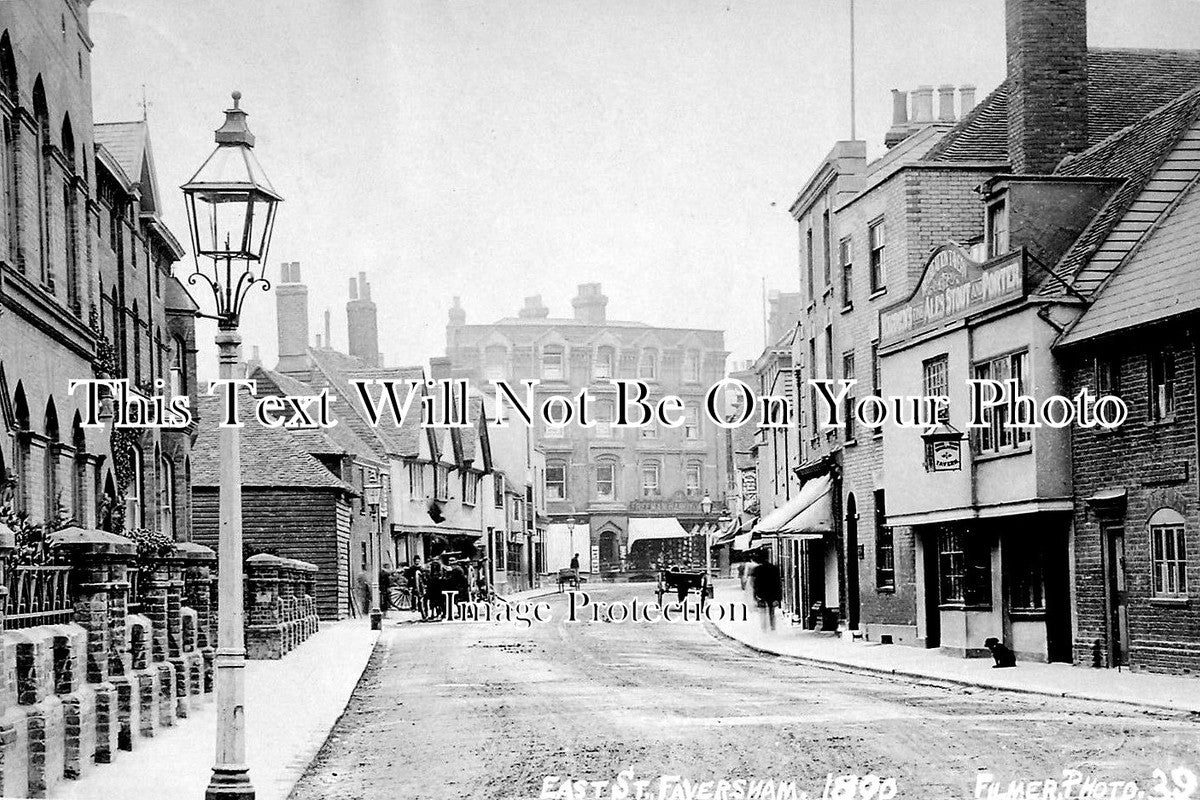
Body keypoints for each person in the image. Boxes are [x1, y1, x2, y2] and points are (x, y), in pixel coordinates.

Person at [751, 551, 782, 631]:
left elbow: (754, 583)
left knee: (762, 611)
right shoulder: (774, 568)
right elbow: (778, 583)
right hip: (772, 592)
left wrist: (755, 595)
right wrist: (778, 597)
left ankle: (764, 628)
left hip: (761, 593)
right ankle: (772, 627)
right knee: (771, 611)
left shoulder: (757, 569)